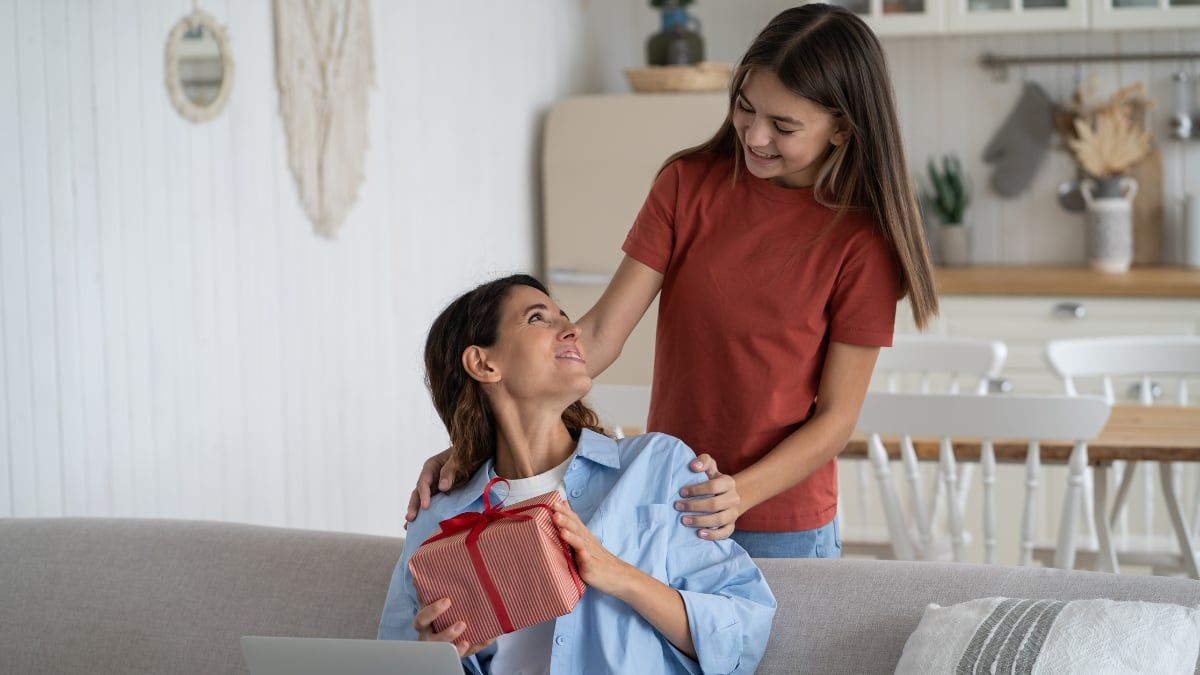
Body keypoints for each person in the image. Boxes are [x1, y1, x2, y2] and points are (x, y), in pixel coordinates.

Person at [407, 4, 938, 559]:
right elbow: (600, 337)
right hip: (668, 502)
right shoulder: (688, 185)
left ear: (841, 129)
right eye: (744, 107)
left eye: (783, 126)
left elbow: (835, 419)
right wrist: (474, 444)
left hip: (783, 525)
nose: (755, 135)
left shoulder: (862, 241)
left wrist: (740, 493)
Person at [379, 275, 776, 674]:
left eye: (565, 318)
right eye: (538, 319)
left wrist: (617, 573)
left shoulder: (658, 466)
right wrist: (434, 658)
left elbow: (742, 635)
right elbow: (390, 662)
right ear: (484, 363)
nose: (572, 330)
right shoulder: (438, 516)